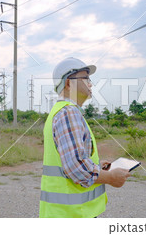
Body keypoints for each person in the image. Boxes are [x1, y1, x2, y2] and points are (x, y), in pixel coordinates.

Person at [39, 57, 130, 218]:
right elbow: (76, 168)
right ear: (69, 83)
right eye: (85, 78)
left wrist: (95, 166)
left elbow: (71, 160)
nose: (90, 83)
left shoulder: (63, 111)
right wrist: (110, 178)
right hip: (71, 215)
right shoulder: (68, 113)